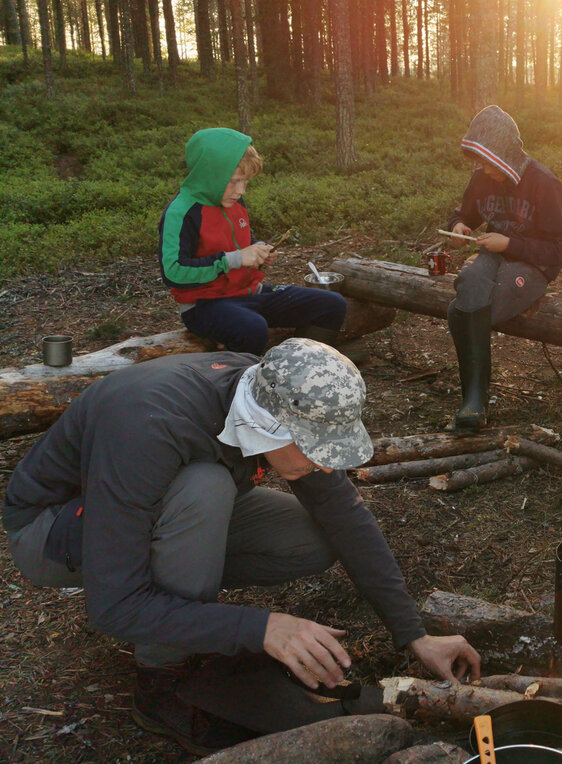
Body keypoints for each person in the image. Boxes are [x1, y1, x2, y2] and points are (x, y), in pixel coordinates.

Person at [3, 339, 481, 755]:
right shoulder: (149, 422)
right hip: (53, 534)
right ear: (269, 424)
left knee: (311, 538)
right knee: (204, 487)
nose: (321, 463)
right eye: (314, 448)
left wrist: (413, 633)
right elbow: (112, 607)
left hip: (153, 511)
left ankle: (180, 595)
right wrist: (260, 628)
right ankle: (162, 682)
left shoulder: (273, 388)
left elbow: (345, 516)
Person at [159, 127, 347, 355]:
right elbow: (173, 273)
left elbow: (243, 239)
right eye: (234, 181)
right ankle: (240, 384)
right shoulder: (182, 212)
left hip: (251, 292)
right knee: (252, 329)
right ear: (208, 174)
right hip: (206, 304)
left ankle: (304, 365)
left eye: (246, 181)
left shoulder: (233, 201)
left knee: (332, 304)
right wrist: (234, 259)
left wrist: (258, 250)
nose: (241, 191)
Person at [444, 105, 562, 431]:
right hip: (492, 256)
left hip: (534, 265)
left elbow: (560, 249)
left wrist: (510, 245)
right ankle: (474, 399)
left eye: (488, 162)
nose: (484, 170)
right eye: (479, 162)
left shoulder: (544, 183)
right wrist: (459, 227)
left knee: (465, 311)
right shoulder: (481, 179)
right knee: (470, 280)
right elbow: (465, 214)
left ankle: (475, 395)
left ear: (504, 154)